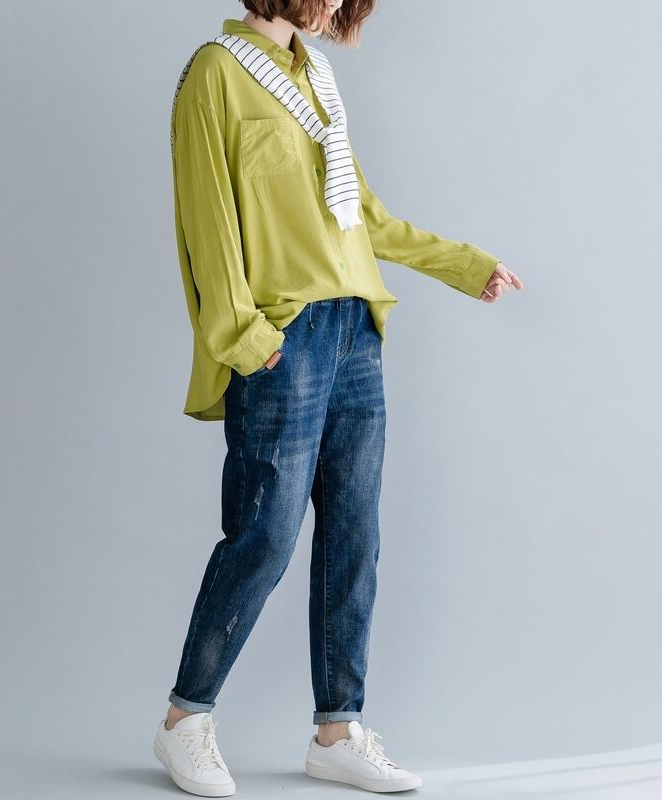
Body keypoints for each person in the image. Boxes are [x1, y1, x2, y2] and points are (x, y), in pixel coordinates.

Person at [155, 1, 523, 796]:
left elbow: (362, 218)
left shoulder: (317, 77)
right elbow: (207, 218)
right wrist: (246, 337)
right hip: (282, 335)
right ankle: (186, 720)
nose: (334, 5)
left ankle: (338, 730)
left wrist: (464, 264)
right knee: (264, 535)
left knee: (355, 534)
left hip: (356, 328)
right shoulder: (216, 74)